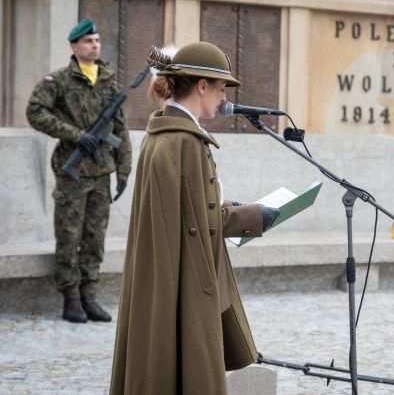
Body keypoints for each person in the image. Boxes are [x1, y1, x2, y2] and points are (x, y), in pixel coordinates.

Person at [110, 42, 280, 394]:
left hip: (167, 279)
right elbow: (201, 225)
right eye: (220, 88)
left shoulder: (164, 135)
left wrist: (236, 207)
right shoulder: (184, 142)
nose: (222, 98)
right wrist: (256, 216)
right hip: (184, 283)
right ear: (202, 85)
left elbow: (192, 210)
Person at [26, 19, 132, 323]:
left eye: (97, 40)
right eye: (88, 41)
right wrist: (74, 134)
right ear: (74, 46)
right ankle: (71, 299)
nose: (95, 45)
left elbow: (121, 131)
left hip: (101, 172)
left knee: (94, 238)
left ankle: (90, 297)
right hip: (72, 174)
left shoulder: (109, 81)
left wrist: (123, 170)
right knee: (69, 236)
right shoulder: (57, 81)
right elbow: (35, 112)